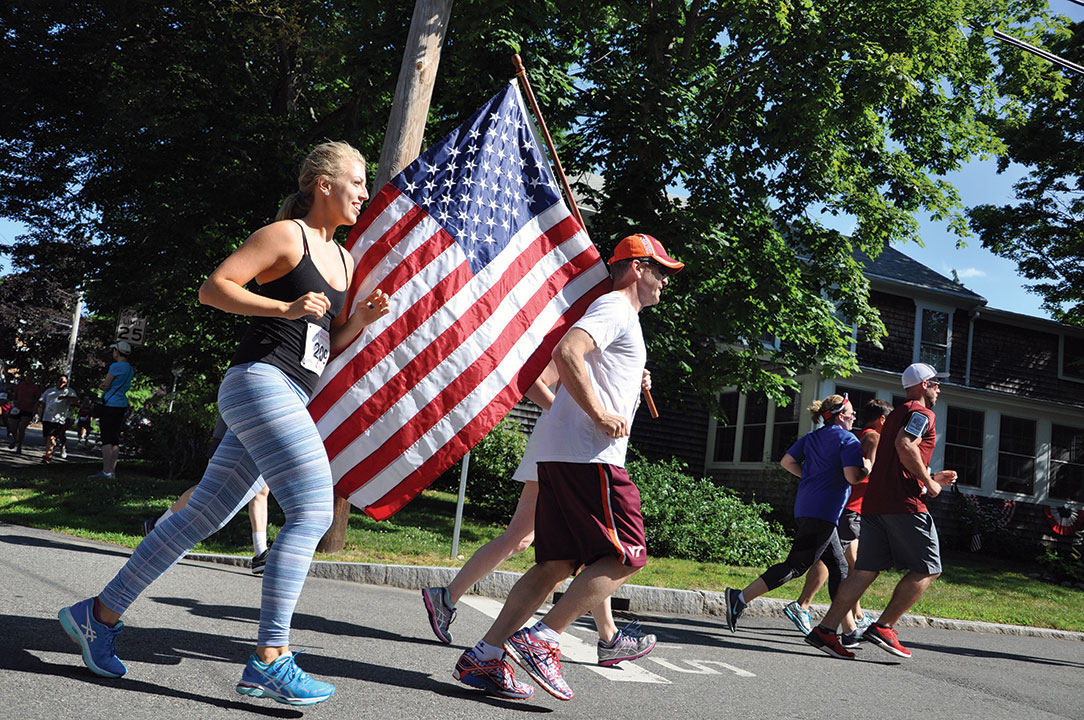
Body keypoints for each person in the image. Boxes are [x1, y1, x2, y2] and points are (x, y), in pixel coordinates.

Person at [58, 141, 390, 707]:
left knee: (202, 517)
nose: (364, 193)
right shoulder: (285, 235)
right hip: (259, 383)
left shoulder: (345, 260)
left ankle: (98, 614)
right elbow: (213, 289)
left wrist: (356, 320)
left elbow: (320, 346)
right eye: (357, 182)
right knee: (311, 509)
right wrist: (280, 308)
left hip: (289, 390)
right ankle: (270, 658)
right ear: (324, 185)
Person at [452, 232, 683, 702]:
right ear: (636, 268)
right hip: (588, 454)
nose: (664, 280)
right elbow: (566, 353)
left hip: (560, 454)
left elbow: (589, 361)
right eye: (660, 270)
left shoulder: (621, 317)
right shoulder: (615, 307)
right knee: (627, 552)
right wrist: (600, 413)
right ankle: (544, 638)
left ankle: (485, 656)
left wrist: (624, 378)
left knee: (554, 563)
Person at [423, 365, 657, 668]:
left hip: (570, 447)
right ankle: (606, 638)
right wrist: (569, 414)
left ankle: (608, 636)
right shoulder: (579, 330)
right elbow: (532, 381)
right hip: (564, 446)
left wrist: (630, 387)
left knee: (555, 543)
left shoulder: (603, 341)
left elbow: (611, 403)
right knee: (533, 539)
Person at [805, 363, 957, 660]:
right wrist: (928, 483)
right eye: (937, 383)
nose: (939, 388)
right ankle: (884, 626)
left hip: (874, 503)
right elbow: (905, 446)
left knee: (864, 570)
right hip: (904, 504)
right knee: (929, 568)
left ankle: (825, 630)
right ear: (924, 384)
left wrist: (929, 478)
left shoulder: (896, 414)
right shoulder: (922, 413)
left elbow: (897, 460)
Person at [723, 393, 870, 640]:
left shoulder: (812, 437)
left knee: (839, 567)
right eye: (852, 413)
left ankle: (849, 630)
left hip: (806, 507)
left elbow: (787, 461)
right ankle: (739, 598)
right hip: (824, 512)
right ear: (841, 416)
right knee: (796, 565)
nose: (854, 418)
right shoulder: (848, 440)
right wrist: (868, 466)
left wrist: (812, 477)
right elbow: (852, 477)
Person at [783, 398, 893, 642]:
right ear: (883, 419)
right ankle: (803, 605)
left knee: (848, 564)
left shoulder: (858, 435)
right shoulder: (872, 437)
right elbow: (862, 474)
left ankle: (855, 617)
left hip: (846, 507)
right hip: (847, 507)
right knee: (834, 560)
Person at [143, 417, 273, 574]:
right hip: (231, 429)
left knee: (261, 491)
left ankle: (261, 554)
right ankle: (157, 526)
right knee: (208, 489)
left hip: (263, 435)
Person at [88, 341, 134, 479]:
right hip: (121, 404)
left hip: (110, 404)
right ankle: (112, 471)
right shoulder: (130, 368)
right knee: (115, 439)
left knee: (106, 439)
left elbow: (106, 385)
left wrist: (101, 385)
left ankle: (106, 470)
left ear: (117, 352)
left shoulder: (115, 366)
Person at [39, 373, 79, 462]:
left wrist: (66, 398)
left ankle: (48, 455)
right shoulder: (49, 391)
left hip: (59, 419)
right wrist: (38, 413)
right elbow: (42, 402)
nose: (62, 383)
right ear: (57, 381)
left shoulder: (69, 391)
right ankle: (51, 448)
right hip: (47, 417)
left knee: (51, 437)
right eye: (60, 381)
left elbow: (76, 401)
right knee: (46, 438)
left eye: (64, 382)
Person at [8, 373, 41, 454]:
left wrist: (35, 409)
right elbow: (14, 395)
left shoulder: (35, 388)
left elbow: (38, 400)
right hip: (17, 408)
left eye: (31, 377)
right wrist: (14, 402)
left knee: (22, 428)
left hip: (28, 410)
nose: (29, 378)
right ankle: (16, 440)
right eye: (27, 376)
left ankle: (19, 446)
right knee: (12, 428)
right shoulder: (20, 385)